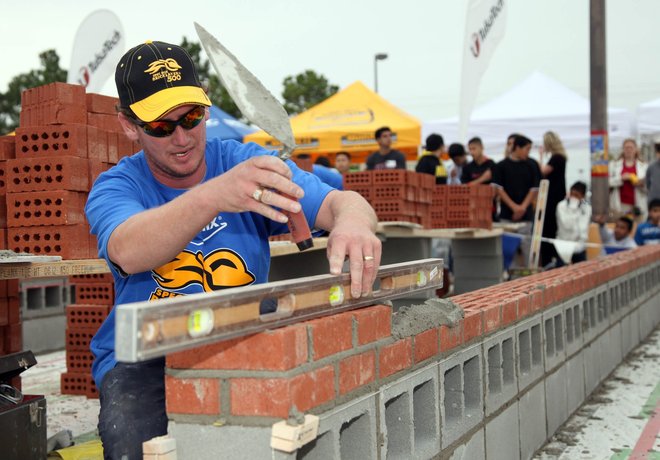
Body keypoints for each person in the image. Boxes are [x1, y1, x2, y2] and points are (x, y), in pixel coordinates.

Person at [85, 40, 381, 459]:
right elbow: (129, 249)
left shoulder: (242, 161)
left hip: (238, 341)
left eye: (191, 117)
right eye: (161, 126)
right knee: (137, 442)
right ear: (129, 126)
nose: (182, 137)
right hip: (142, 360)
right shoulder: (118, 186)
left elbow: (342, 203)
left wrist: (351, 223)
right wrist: (214, 196)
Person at [492, 135, 541, 267]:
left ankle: (529, 277)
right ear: (517, 148)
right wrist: (514, 207)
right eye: (527, 149)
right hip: (507, 216)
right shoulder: (500, 166)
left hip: (526, 216)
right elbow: (499, 189)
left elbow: (534, 189)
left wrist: (522, 207)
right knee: (508, 250)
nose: (528, 152)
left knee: (527, 248)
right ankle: (509, 277)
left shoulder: (532, 165)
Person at [539, 131, 567, 267]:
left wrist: (540, 156)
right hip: (557, 195)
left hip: (552, 197)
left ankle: (549, 258)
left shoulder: (556, 158)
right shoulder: (560, 157)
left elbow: (543, 171)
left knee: (549, 226)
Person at [609, 138, 648, 222]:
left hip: (638, 204)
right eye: (626, 148)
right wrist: (621, 179)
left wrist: (640, 183)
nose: (629, 150)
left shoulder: (644, 166)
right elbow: (607, 183)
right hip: (620, 204)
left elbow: (649, 186)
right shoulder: (614, 165)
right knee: (622, 226)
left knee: (637, 227)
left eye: (631, 147)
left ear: (636, 149)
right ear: (622, 149)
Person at [555, 181, 591, 265]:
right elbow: (567, 225)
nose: (573, 198)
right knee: (560, 272)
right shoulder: (561, 206)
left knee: (581, 271)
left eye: (576, 195)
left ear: (582, 196)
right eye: (572, 194)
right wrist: (573, 209)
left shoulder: (587, 208)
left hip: (579, 246)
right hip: (563, 245)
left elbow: (583, 228)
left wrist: (580, 244)